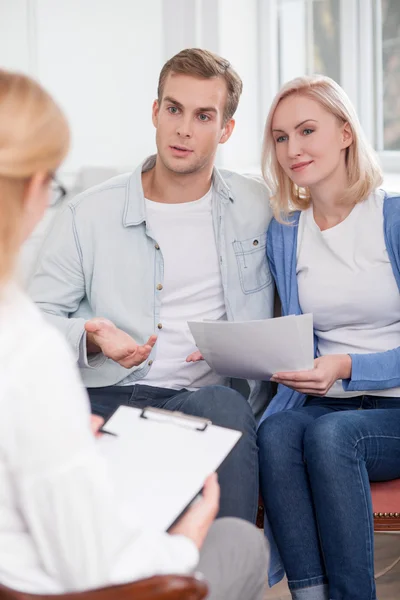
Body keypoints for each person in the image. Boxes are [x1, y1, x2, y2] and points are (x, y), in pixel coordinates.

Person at [0, 68, 269, 599]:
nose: (184, 128)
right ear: (154, 111)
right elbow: (44, 317)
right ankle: (186, 580)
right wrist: (92, 335)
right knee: (238, 545)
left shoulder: (256, 205)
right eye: (173, 109)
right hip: (110, 395)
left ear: (227, 130)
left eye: (203, 115)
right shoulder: (86, 212)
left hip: (198, 399)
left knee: (227, 409)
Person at [257, 73, 400, 600]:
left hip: (392, 408)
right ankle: (310, 595)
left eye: (307, 130)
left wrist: (347, 367)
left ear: (345, 133)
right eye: (280, 137)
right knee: (275, 435)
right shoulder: (287, 233)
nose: (293, 149)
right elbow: (289, 328)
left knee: (331, 437)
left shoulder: (393, 218)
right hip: (329, 404)